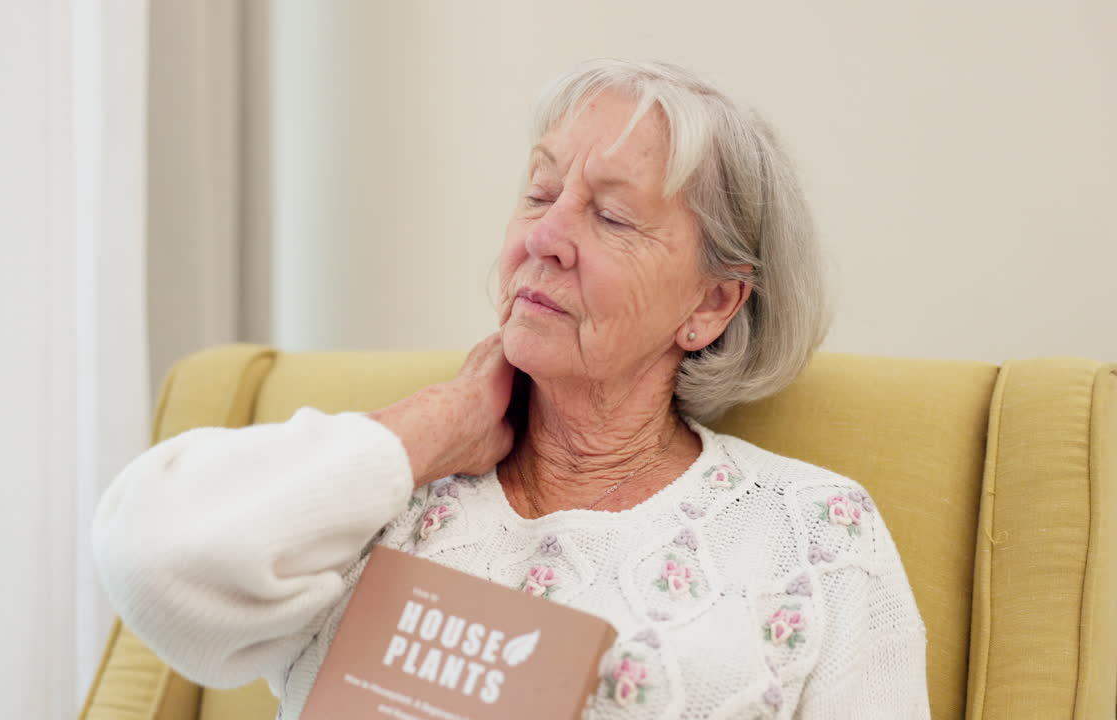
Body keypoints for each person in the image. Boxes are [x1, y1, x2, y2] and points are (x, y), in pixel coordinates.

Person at [93, 58, 930, 719]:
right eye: (538, 192)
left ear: (711, 304)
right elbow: (153, 560)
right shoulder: (380, 499)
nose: (547, 235)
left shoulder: (808, 533)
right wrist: (438, 422)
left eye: (610, 216)